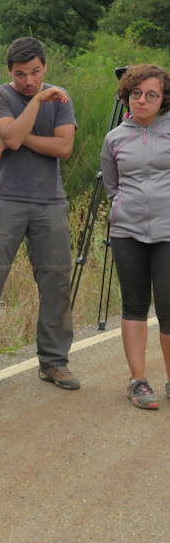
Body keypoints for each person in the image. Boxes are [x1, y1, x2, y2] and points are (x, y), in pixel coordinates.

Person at [0, 37, 80, 391]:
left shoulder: (61, 98)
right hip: (6, 201)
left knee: (56, 282)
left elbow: (63, 147)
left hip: (50, 201)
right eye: (20, 74)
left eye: (35, 73)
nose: (29, 81)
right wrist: (34, 107)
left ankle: (54, 362)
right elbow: (10, 139)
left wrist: (16, 135)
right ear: (10, 72)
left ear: (45, 66)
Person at [100, 64, 170, 409]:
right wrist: (124, 208)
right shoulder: (115, 138)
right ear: (126, 96)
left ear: (163, 98)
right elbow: (112, 186)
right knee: (134, 304)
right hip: (128, 231)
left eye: (151, 95)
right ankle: (138, 381)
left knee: (169, 307)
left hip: (168, 232)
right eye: (135, 94)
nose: (142, 100)